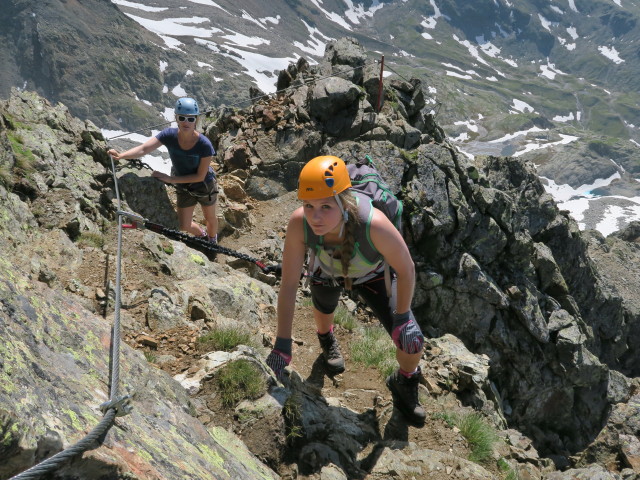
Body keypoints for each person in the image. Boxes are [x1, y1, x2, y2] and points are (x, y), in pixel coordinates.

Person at [266, 155, 426, 426]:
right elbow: (290, 284)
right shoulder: (299, 223)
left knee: (412, 342)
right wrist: (282, 343)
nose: (315, 217)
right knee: (324, 307)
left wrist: (402, 317)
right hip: (327, 271)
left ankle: (404, 381)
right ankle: (326, 337)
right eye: (308, 205)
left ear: (344, 202)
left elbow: (406, 268)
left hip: (375, 275)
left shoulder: (373, 224)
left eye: (326, 206)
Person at [107, 97, 218, 242]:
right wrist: (121, 155)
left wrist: (171, 179)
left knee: (210, 218)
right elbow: (144, 149)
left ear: (196, 120)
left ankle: (212, 240)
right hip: (184, 185)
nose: (186, 122)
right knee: (184, 225)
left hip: (204, 185)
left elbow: (200, 176)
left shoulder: (204, 145)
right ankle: (202, 235)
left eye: (190, 119)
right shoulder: (169, 135)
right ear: (176, 118)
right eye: (182, 117)